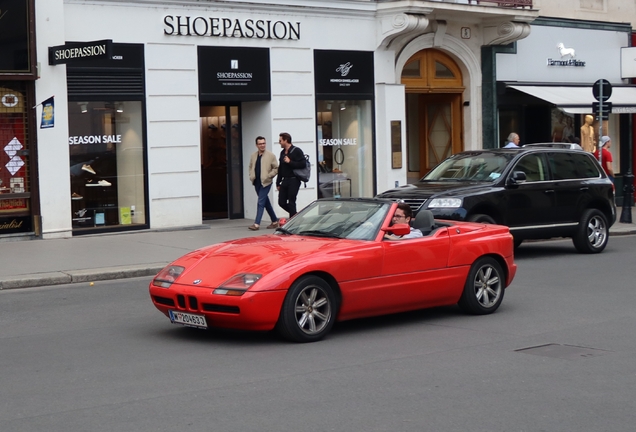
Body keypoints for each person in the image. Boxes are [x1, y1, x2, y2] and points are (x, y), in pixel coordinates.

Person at [248, 136, 279, 231]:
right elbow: (250, 167)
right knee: (266, 202)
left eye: (264, 143)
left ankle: (256, 224)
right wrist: (251, 176)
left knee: (260, 202)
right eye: (260, 144)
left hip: (266, 182)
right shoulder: (253, 155)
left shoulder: (271, 155)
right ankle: (274, 221)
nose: (262, 145)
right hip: (257, 182)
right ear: (256, 145)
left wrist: (269, 176)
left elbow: (276, 168)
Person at [276, 132, 306, 217]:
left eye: (280, 141)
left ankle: (292, 220)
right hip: (285, 180)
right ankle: (296, 216)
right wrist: (278, 182)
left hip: (294, 180)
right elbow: (280, 168)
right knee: (281, 202)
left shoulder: (297, 151)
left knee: (292, 201)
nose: (279, 143)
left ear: (286, 140)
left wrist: (290, 162)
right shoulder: (282, 153)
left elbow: (303, 164)